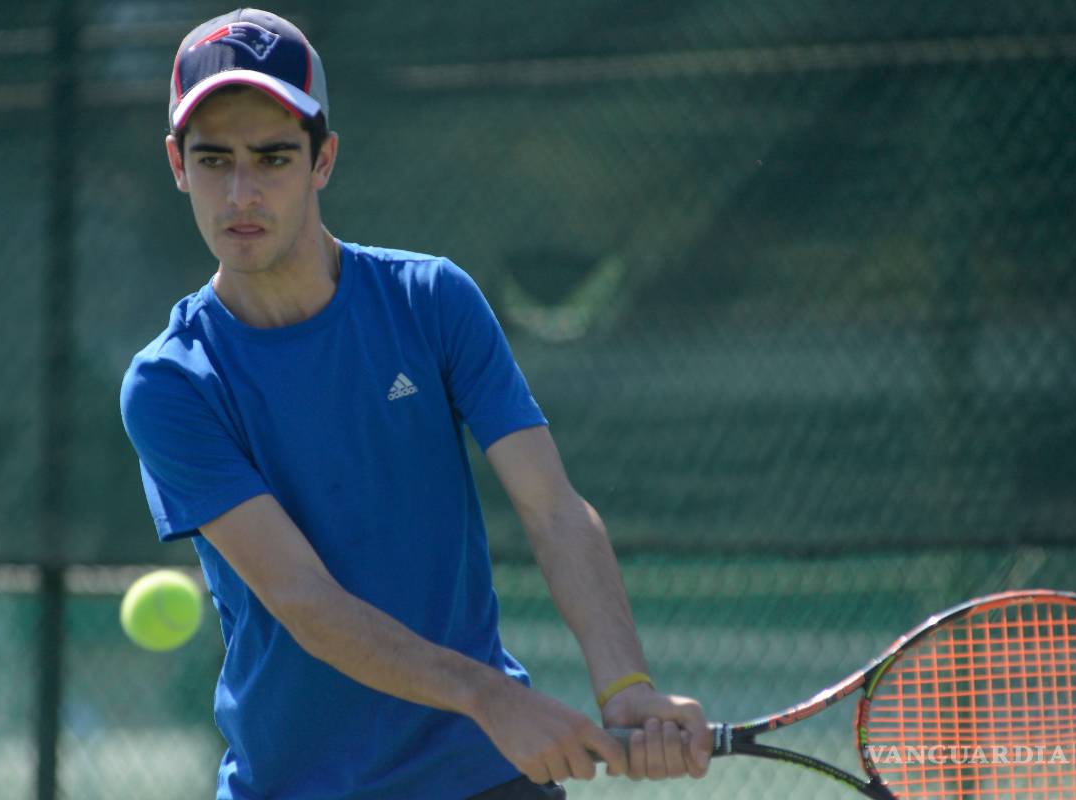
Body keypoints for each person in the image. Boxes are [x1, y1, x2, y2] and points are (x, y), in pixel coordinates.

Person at [120, 8, 712, 799]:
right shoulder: (172, 383)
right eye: (214, 158)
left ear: (323, 159)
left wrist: (624, 685)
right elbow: (306, 600)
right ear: (177, 164)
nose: (242, 191)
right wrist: (490, 696)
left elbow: (553, 509)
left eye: (273, 157)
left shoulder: (432, 300)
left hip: (482, 778)